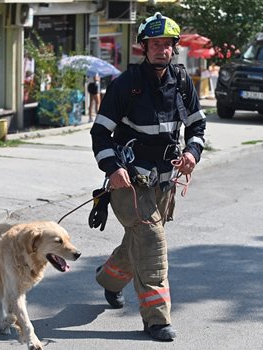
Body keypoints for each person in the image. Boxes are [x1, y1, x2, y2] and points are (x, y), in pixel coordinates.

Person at [89, 12, 206, 341]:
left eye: (167, 45)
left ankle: (110, 280)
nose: (162, 50)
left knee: (138, 242)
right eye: (155, 44)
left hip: (164, 184)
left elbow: (198, 125)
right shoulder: (126, 85)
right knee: (153, 242)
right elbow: (100, 134)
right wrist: (113, 169)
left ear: (174, 49)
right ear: (144, 47)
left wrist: (192, 153)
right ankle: (157, 320)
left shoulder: (182, 83)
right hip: (130, 183)